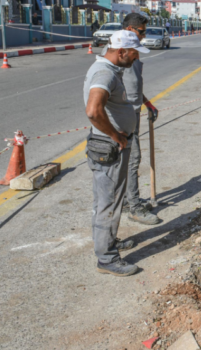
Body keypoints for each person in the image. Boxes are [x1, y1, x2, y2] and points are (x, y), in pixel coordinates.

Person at [84, 30, 150, 276]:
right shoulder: (104, 73)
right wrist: (116, 135)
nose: (135, 60)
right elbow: (93, 110)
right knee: (108, 203)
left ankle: (109, 243)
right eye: (133, 55)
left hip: (109, 145)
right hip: (109, 147)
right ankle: (107, 259)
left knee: (108, 200)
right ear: (121, 52)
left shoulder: (110, 70)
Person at [118, 13, 161, 225]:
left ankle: (129, 200)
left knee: (131, 160)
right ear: (129, 30)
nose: (144, 36)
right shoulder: (119, 53)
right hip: (123, 118)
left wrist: (147, 103)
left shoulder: (133, 53)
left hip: (133, 113)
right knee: (132, 160)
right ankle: (133, 207)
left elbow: (134, 86)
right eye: (141, 32)